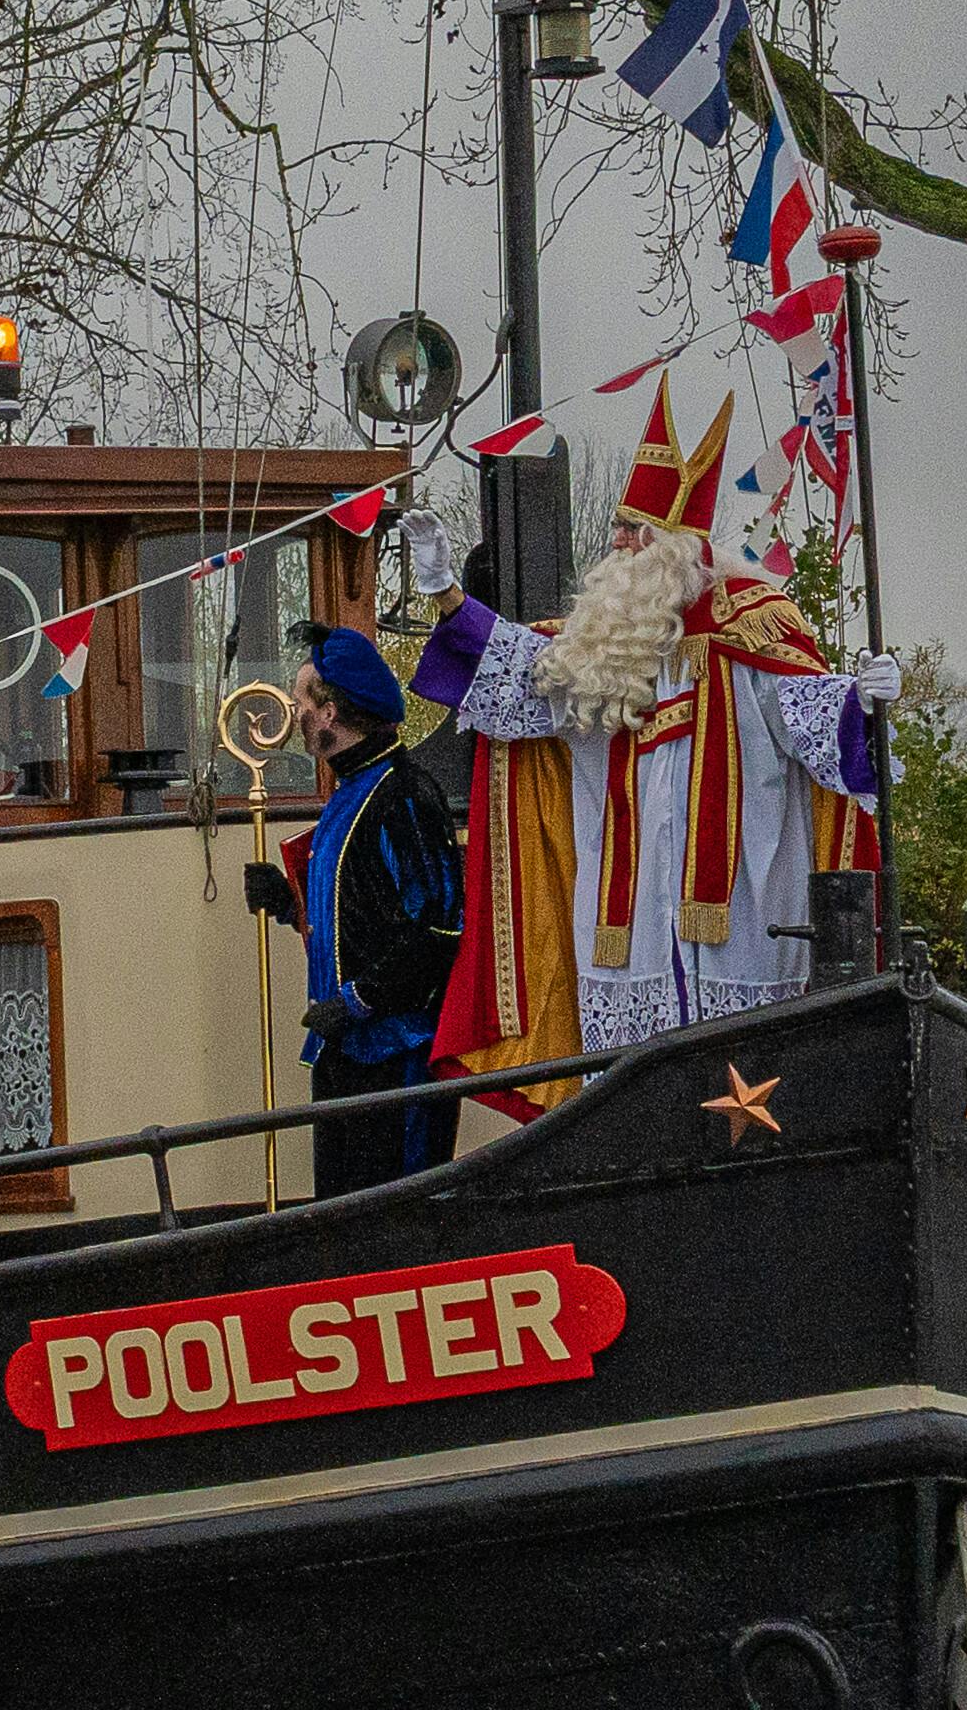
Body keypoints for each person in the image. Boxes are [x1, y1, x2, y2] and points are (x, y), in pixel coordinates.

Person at [411, 377, 899, 1087]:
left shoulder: (753, 624)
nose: (615, 543)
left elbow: (820, 723)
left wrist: (866, 700)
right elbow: (524, 675)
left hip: (742, 931)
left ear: (675, 547)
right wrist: (447, 594)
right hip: (628, 934)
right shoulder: (609, 647)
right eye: (618, 528)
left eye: (633, 531)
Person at [240, 628, 468, 1193]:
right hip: (343, 1051)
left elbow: (439, 929)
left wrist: (358, 1001)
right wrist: (289, 904)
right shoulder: (352, 788)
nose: (294, 716)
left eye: (301, 704)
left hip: (396, 1054)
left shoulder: (405, 795)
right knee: (339, 1212)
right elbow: (362, 914)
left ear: (330, 713)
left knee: (392, 1218)